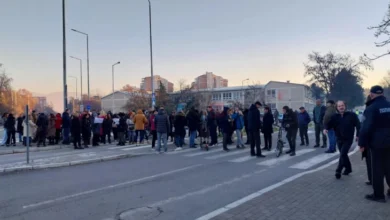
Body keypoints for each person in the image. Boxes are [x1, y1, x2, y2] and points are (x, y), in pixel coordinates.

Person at [358, 86, 390, 202]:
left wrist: (362, 143)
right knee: (388, 167)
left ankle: (378, 195)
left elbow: (365, 128)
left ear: (371, 94)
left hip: (377, 143)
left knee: (377, 169)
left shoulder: (371, 108)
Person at [325, 100, 360, 179]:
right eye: (339, 106)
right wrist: (326, 129)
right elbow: (329, 124)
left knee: (343, 154)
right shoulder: (335, 117)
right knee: (343, 155)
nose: (341, 107)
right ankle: (348, 168)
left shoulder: (352, 115)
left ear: (345, 106)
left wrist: (358, 135)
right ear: (337, 107)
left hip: (348, 138)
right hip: (339, 138)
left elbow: (358, 125)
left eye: (342, 105)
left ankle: (338, 170)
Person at [361, 95, 373, 186]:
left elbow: (364, 128)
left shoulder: (368, 110)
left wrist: (361, 143)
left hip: (370, 141)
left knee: (370, 162)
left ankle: (372, 179)